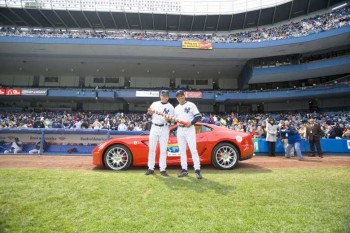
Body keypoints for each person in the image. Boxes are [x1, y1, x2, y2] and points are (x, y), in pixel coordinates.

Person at [174, 90, 203, 179]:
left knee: (193, 149)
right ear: (177, 98)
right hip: (180, 129)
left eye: (182, 95)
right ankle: (184, 170)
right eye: (179, 96)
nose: (181, 97)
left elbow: (198, 116)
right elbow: (175, 120)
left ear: (184, 96)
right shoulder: (176, 108)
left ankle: (197, 170)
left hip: (189, 129)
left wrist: (191, 123)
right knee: (182, 150)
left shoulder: (191, 104)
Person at [145, 90, 174, 176]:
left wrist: (169, 120)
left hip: (164, 127)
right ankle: (150, 168)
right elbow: (148, 115)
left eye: (166, 96)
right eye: (163, 95)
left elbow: (171, 121)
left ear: (168, 97)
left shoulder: (171, 107)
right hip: (154, 127)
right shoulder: (154, 104)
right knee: (152, 148)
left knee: (163, 149)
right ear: (160, 96)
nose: (164, 97)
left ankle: (163, 169)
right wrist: (149, 113)